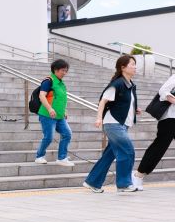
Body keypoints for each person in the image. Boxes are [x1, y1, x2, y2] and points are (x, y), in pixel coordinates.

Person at [84, 55, 141, 193]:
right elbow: (103, 101)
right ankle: (124, 184)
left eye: (135, 64)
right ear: (123, 67)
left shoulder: (129, 84)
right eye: (132, 64)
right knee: (127, 151)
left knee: (109, 155)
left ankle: (92, 182)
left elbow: (124, 102)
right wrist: (99, 118)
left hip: (122, 124)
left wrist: (134, 109)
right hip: (113, 124)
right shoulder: (118, 83)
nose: (135, 67)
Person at [132, 74, 175, 190]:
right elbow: (163, 91)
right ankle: (138, 175)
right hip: (170, 118)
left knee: (159, 146)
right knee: (160, 147)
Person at [34, 59, 74, 166]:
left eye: (66, 71)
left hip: (59, 116)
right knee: (48, 137)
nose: (65, 73)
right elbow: (42, 96)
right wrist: (49, 109)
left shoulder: (61, 83)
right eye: (63, 70)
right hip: (47, 115)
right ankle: (39, 156)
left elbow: (61, 98)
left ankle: (62, 158)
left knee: (67, 134)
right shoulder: (48, 81)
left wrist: (64, 110)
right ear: (56, 70)